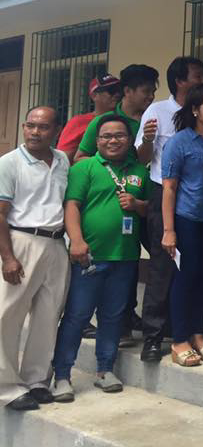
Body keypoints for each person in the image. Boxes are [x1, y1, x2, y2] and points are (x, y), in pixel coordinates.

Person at [51, 116, 150, 401]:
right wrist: (77, 241)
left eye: (119, 135)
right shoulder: (85, 168)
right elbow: (72, 206)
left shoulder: (139, 172)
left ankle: (105, 370)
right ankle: (61, 375)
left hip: (126, 256)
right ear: (97, 141)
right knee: (77, 316)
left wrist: (138, 204)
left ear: (130, 140)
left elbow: (148, 210)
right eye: (106, 136)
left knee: (113, 317)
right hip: (89, 257)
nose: (113, 140)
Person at [75, 63, 158, 344]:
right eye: (146, 91)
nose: (150, 97)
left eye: (153, 91)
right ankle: (114, 322)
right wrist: (111, 171)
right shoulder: (106, 122)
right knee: (109, 267)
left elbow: (143, 161)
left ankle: (136, 315)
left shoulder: (152, 119)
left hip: (139, 200)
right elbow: (80, 157)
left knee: (134, 260)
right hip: (108, 206)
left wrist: (146, 140)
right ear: (128, 91)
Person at [135, 56, 203, 362]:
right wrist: (148, 140)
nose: (202, 80)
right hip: (162, 191)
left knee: (191, 268)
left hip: (193, 199)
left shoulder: (202, 111)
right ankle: (153, 336)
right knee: (163, 267)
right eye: (197, 76)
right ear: (180, 81)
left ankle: (185, 330)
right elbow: (142, 156)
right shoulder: (158, 111)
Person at [0, 107, 70, 411]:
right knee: (8, 316)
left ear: (56, 129)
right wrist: (7, 257)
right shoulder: (9, 163)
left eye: (42, 127)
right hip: (22, 242)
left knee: (48, 315)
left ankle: (36, 379)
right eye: (29, 126)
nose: (33, 132)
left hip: (56, 244)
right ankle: (7, 387)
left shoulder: (63, 160)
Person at [159, 83, 203, 367]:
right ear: (195, 110)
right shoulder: (179, 142)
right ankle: (179, 339)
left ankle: (199, 334)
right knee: (185, 278)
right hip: (186, 219)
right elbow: (169, 188)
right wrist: (169, 229)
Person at [57, 75, 121, 163]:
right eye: (111, 91)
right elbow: (63, 159)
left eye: (120, 91)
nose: (117, 95)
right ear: (94, 95)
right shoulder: (79, 122)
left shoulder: (127, 119)